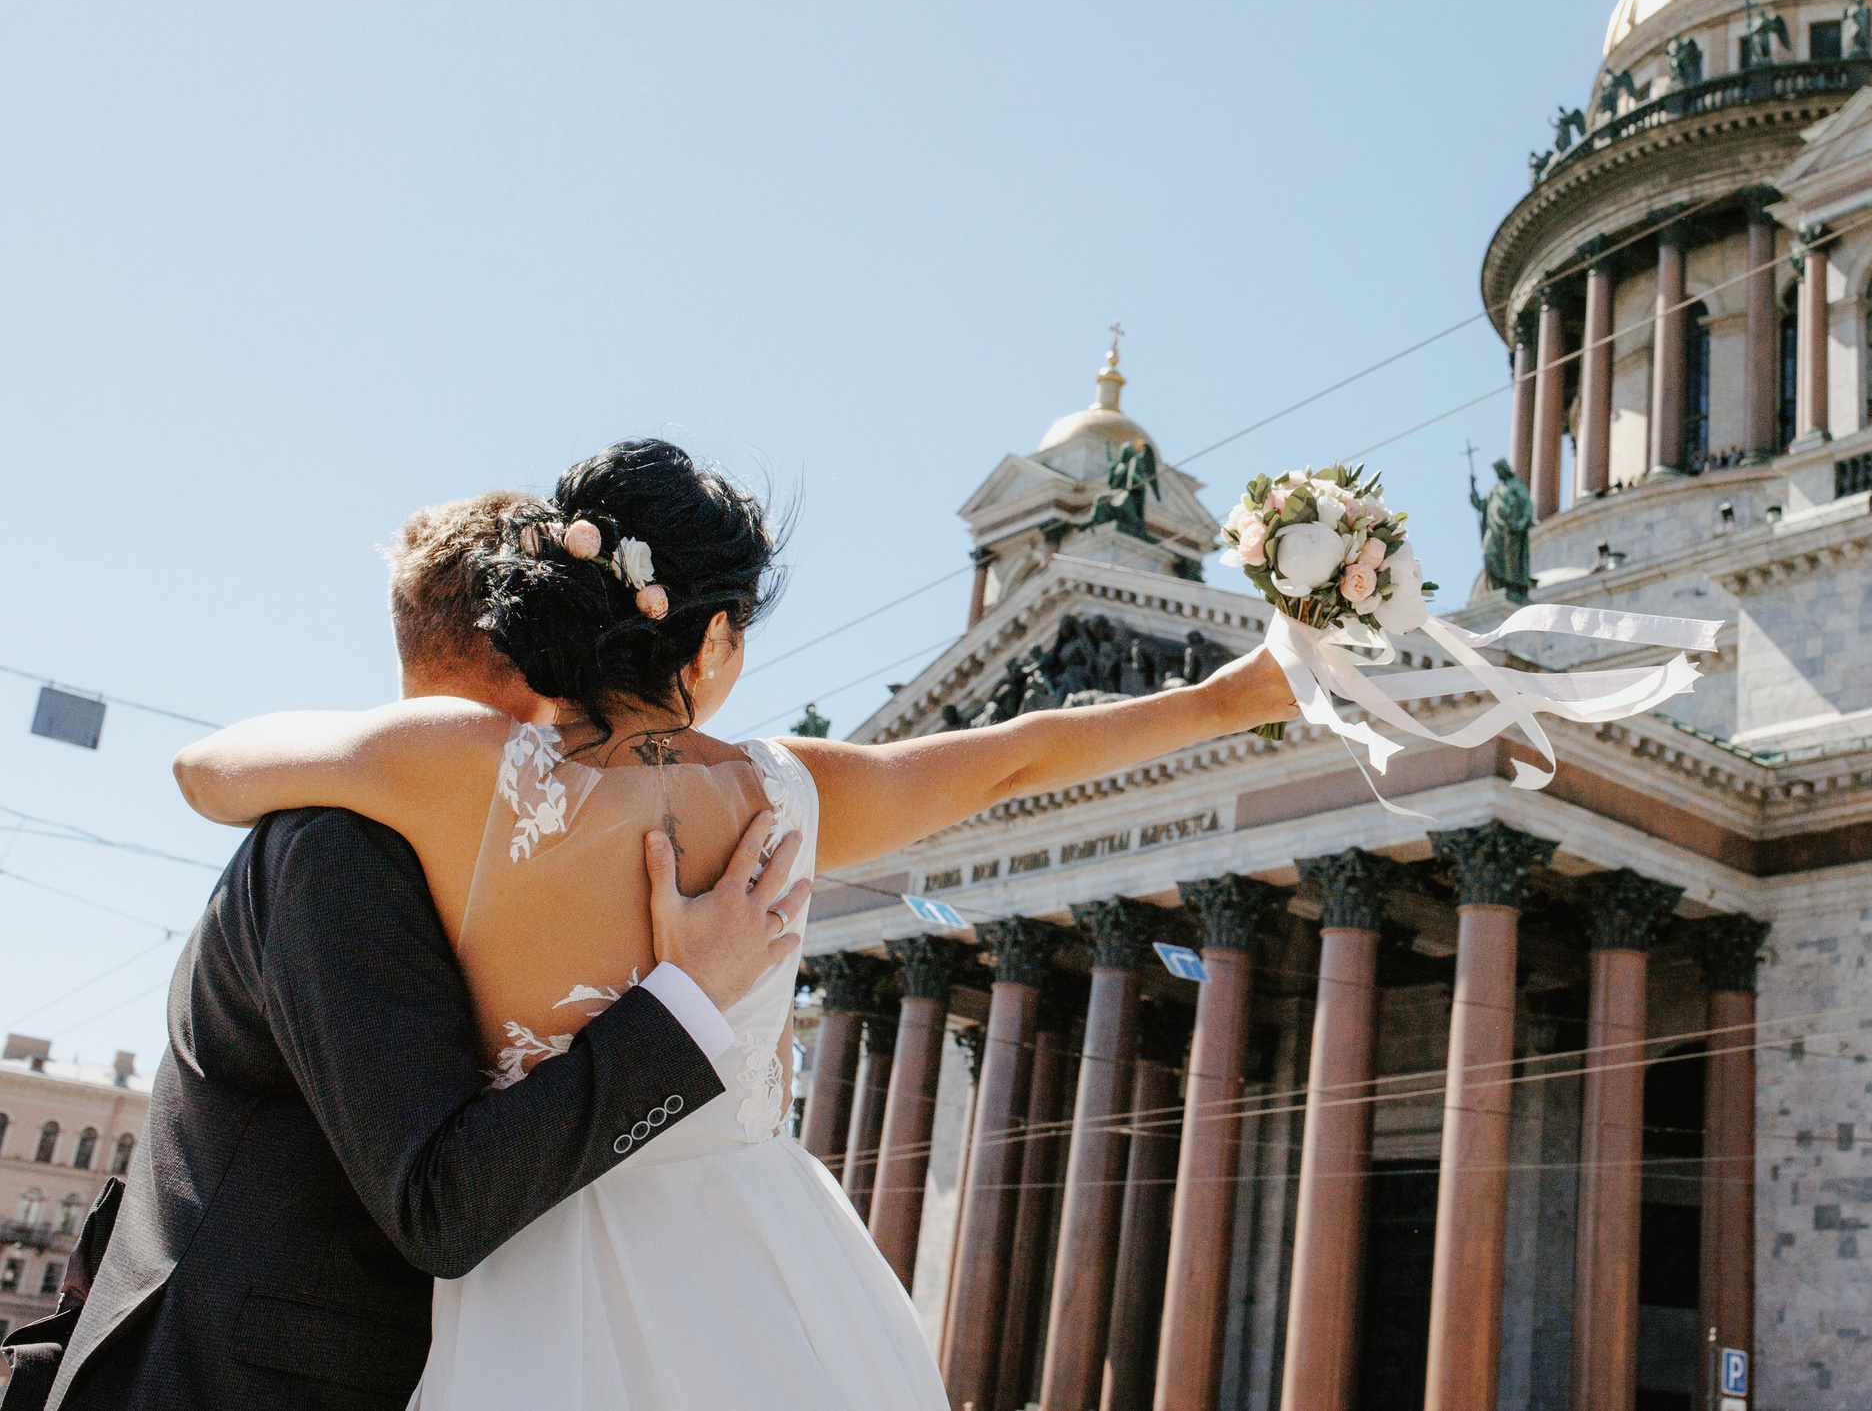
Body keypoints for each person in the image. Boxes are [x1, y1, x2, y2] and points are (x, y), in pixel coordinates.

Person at [162, 439, 1295, 1409]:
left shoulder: (450, 770)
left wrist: (379, 752)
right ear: (710, 642)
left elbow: (204, 769)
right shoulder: (783, 793)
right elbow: (1024, 750)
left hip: (523, 1293)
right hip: (771, 1285)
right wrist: (1231, 696)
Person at [6, 491, 804, 1411]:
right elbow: (440, 1203)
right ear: (542, 648)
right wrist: (686, 1007)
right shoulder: (340, 847)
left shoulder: (453, 851)